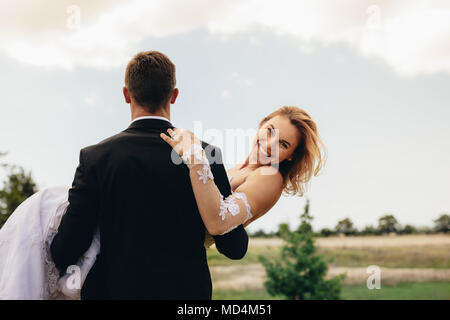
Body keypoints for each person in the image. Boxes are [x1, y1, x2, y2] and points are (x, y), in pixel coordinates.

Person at [0, 51, 248, 300]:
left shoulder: (95, 157)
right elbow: (234, 247)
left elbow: (65, 250)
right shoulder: (206, 155)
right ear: (173, 95)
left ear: (126, 94)